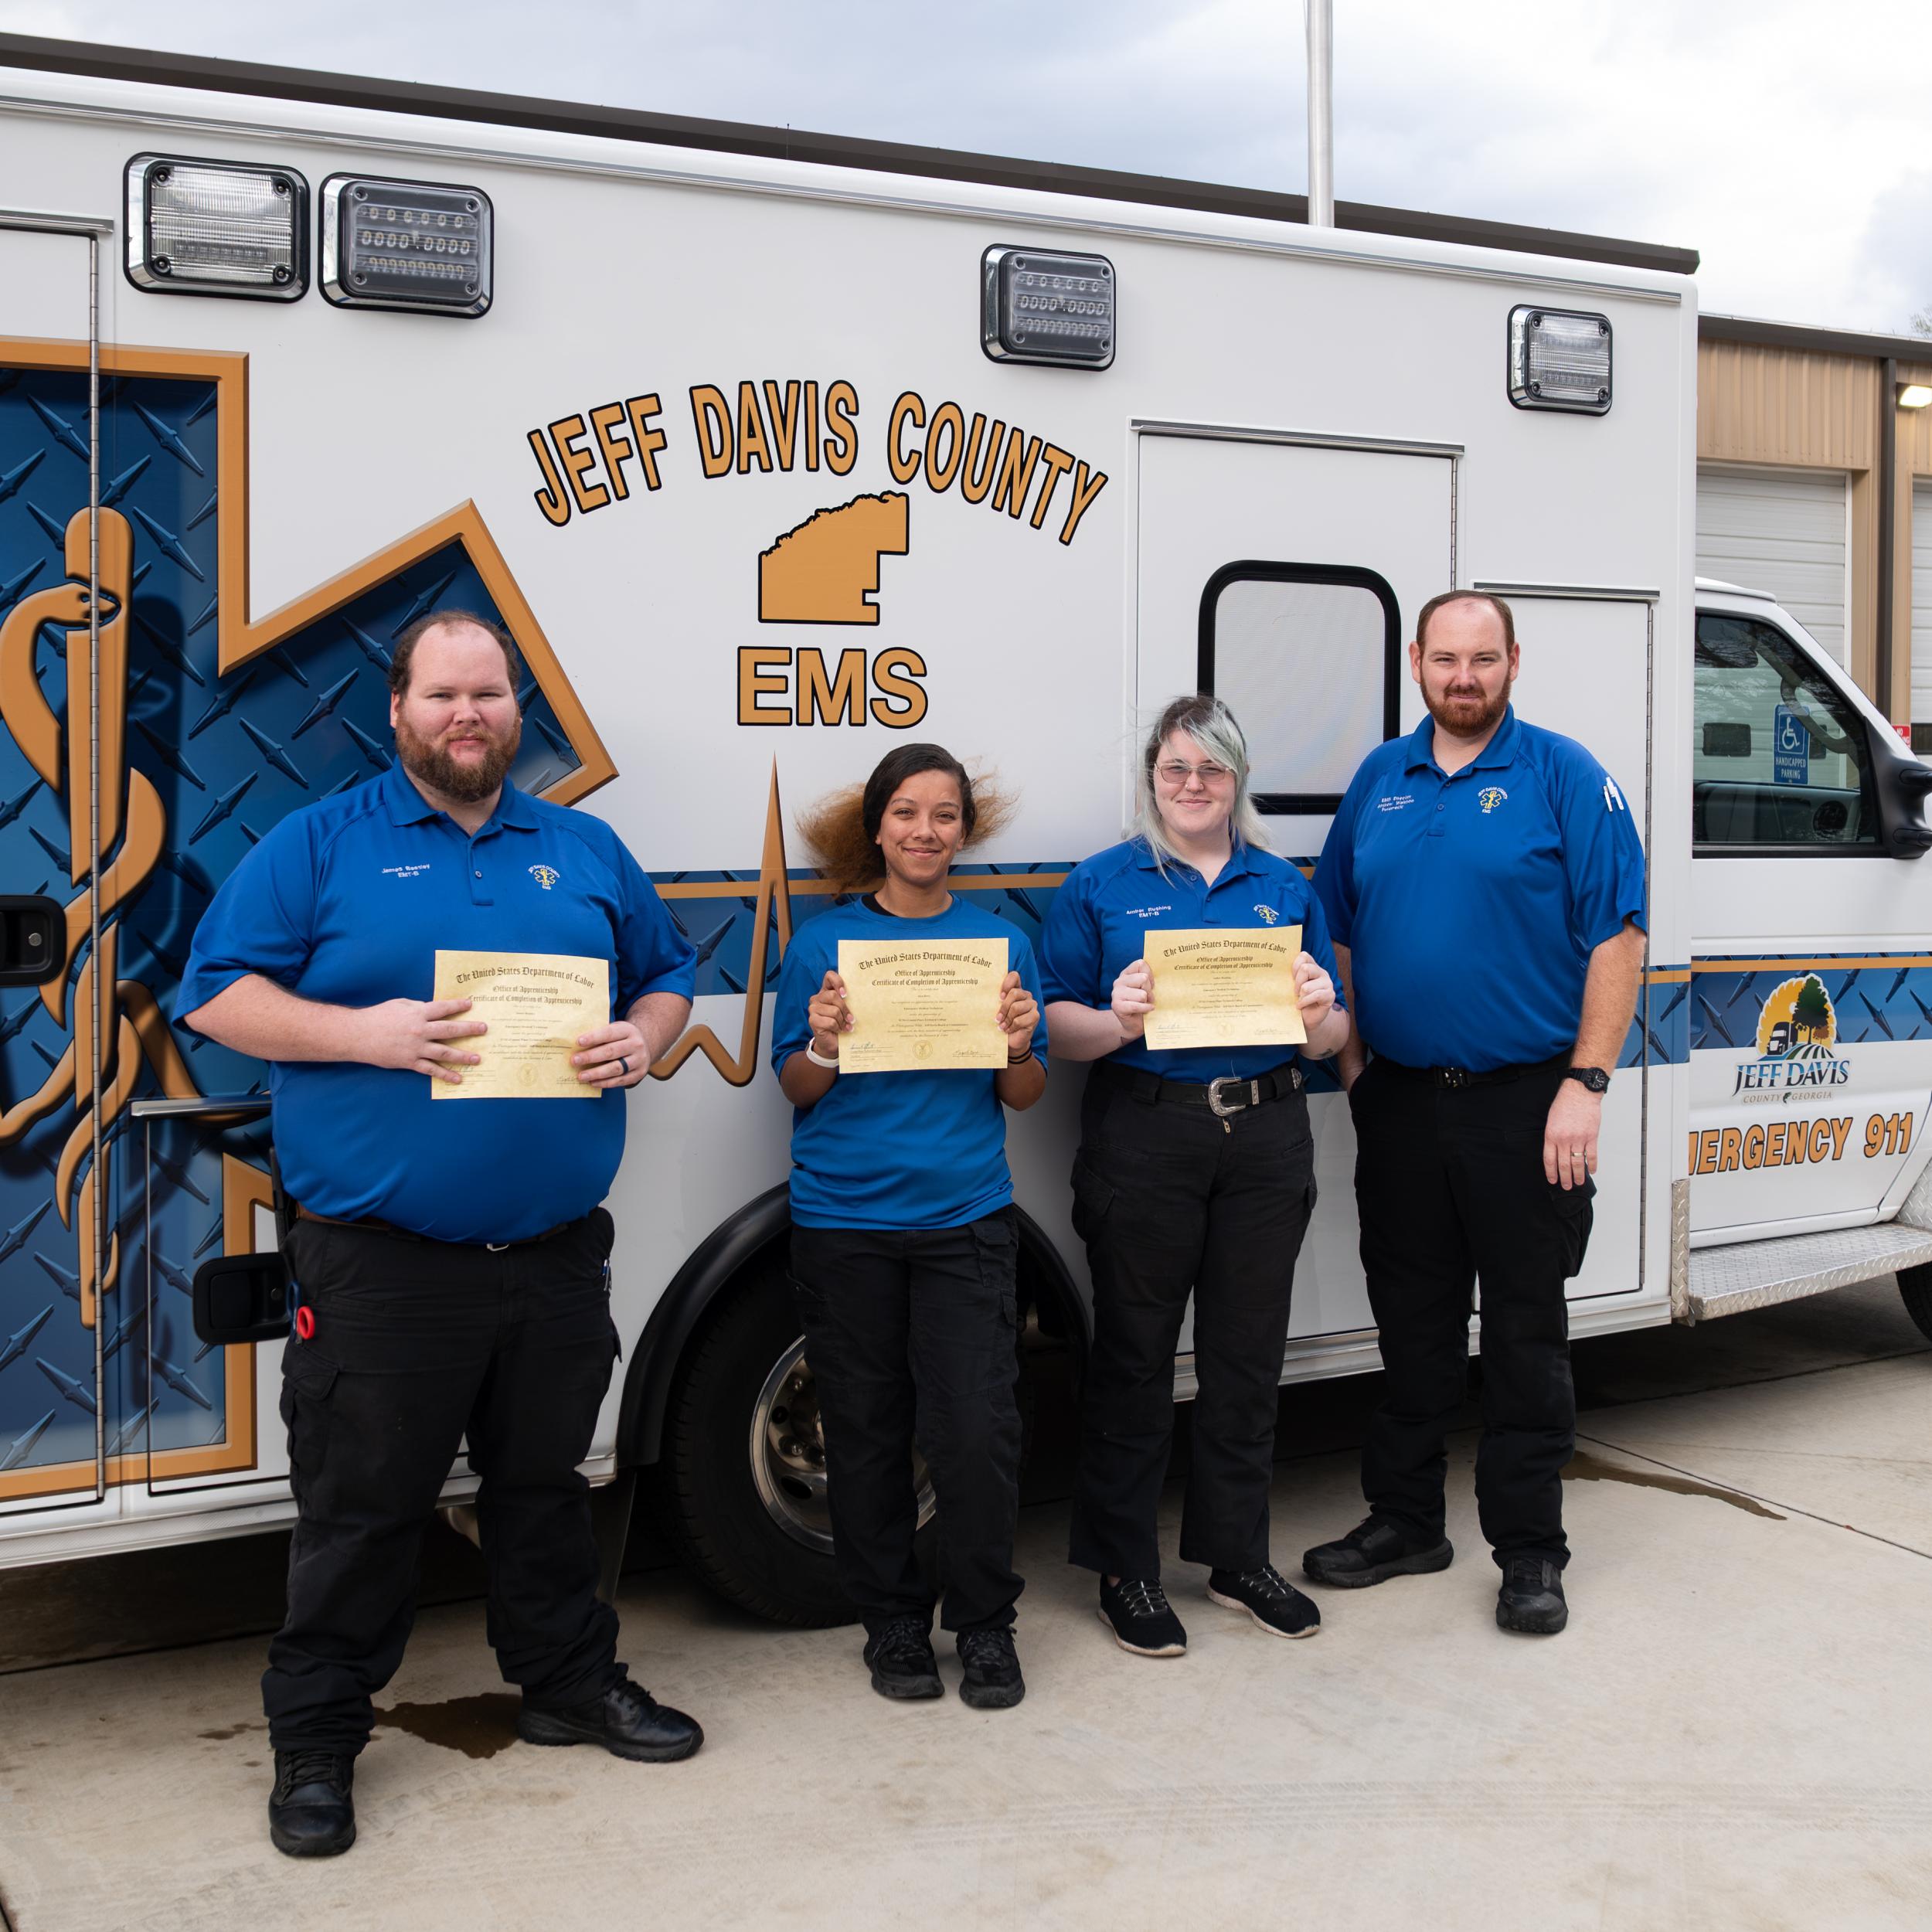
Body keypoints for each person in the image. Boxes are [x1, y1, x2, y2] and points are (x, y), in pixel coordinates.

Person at [178, 610, 702, 1860]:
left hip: (555, 1252)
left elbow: (670, 973)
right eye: (442, 696)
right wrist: (369, 1034)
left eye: (488, 694)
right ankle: (315, 1741)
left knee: (544, 1491)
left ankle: (568, 1682)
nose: (467, 715)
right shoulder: (320, 844)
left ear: (515, 710)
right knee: (360, 1513)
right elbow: (217, 992)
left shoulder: (582, 848)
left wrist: (648, 1038)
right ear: (399, 710)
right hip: (382, 1264)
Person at [1304, 589, 1645, 1636]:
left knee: (1525, 1337)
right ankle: (1406, 1520)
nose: (1464, 677)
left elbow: (1617, 938)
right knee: (1410, 1326)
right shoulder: (1380, 779)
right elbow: (1338, 929)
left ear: (1513, 662)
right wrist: (1360, 1067)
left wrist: (1584, 1084)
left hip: (1527, 1104)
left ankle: (1531, 1551)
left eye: (1483, 659)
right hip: (1401, 1101)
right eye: (1446, 658)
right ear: (1417, 661)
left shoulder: (1564, 775)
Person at [1041, 695, 1349, 1658]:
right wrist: (1116, 1016)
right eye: (1176, 769)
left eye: (1212, 770)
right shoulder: (1102, 884)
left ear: (1235, 781)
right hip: (1147, 1135)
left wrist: (1320, 1008)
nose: (1193, 786)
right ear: (1152, 778)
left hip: (1264, 1136)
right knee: (1134, 1359)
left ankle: (1235, 1556)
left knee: (1247, 1357)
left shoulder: (1282, 887)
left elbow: (1335, 1036)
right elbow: (1054, 1025)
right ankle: (1124, 1570)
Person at [771, 743, 1048, 1709]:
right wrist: (822, 1039)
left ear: (962, 832)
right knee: (866, 1431)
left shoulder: (1000, 945)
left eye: (942, 815)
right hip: (843, 1225)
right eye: (905, 812)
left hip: (964, 1223)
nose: (923, 831)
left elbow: (1023, 1091)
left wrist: (1018, 1042)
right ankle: (891, 1623)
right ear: (877, 827)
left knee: (975, 1431)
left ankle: (984, 1625)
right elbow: (793, 1085)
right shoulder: (823, 946)